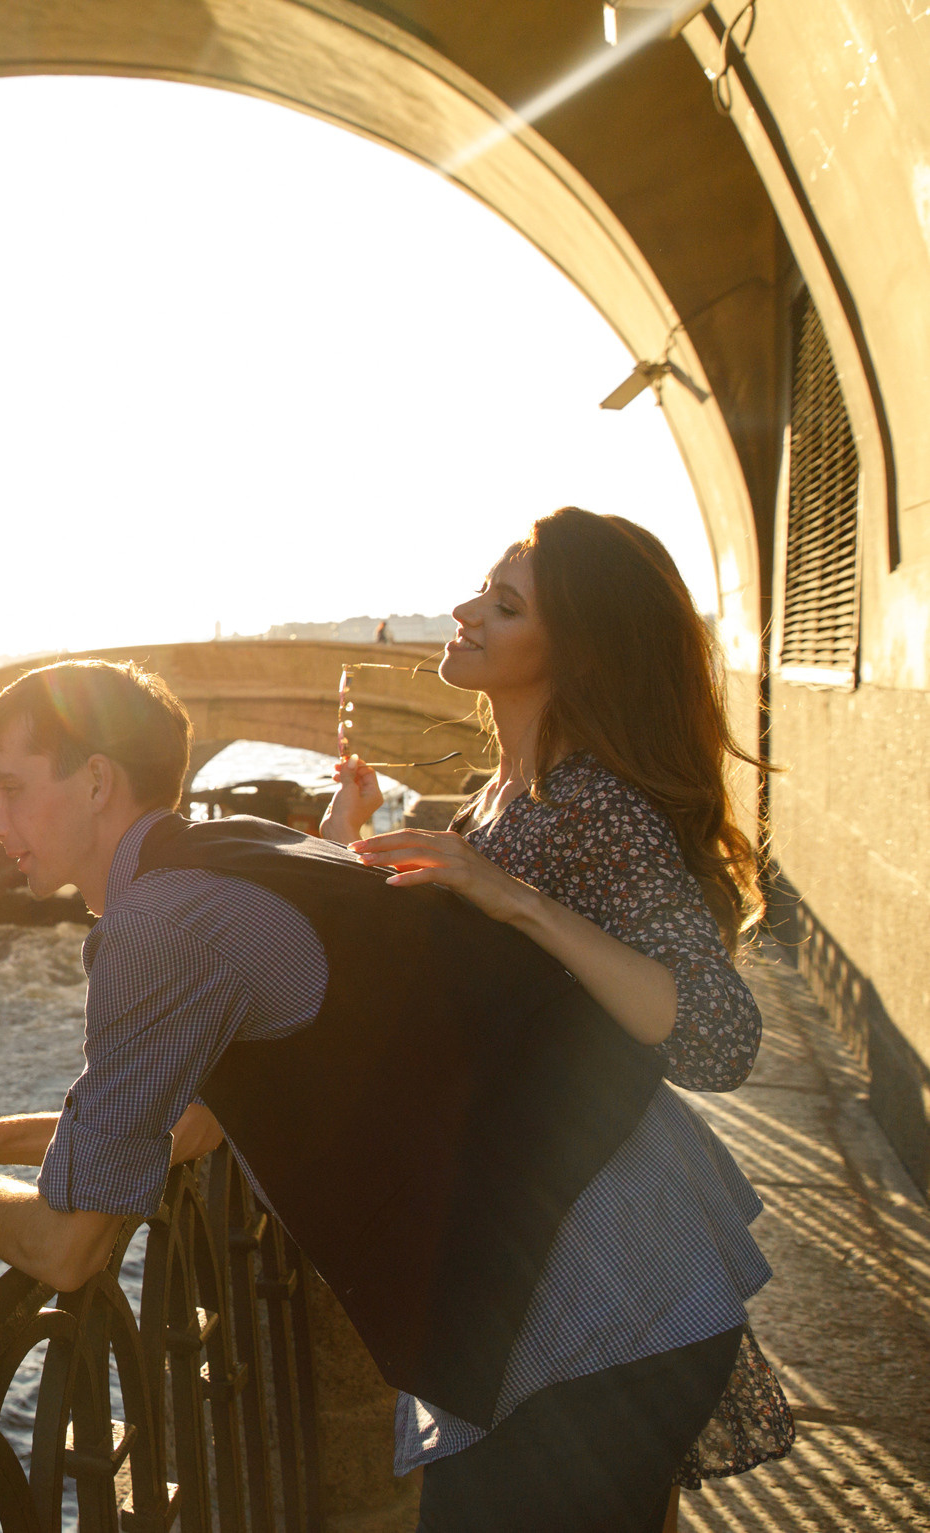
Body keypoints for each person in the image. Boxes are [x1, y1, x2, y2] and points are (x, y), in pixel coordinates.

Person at [0, 658, 769, 1532]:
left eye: (10, 788)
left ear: (98, 780)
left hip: (579, 1302)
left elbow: (68, 1249)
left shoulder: (156, 924)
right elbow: (192, 1123)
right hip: (644, 1225)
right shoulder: (237, 852)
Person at [321, 507, 791, 1510]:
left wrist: (515, 900)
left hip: (617, 1283)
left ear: (575, 651)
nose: (463, 612)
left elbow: (717, 1036)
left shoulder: (591, 805)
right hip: (548, 1267)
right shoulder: (496, 800)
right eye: (481, 591)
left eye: (504, 606)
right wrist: (343, 833)